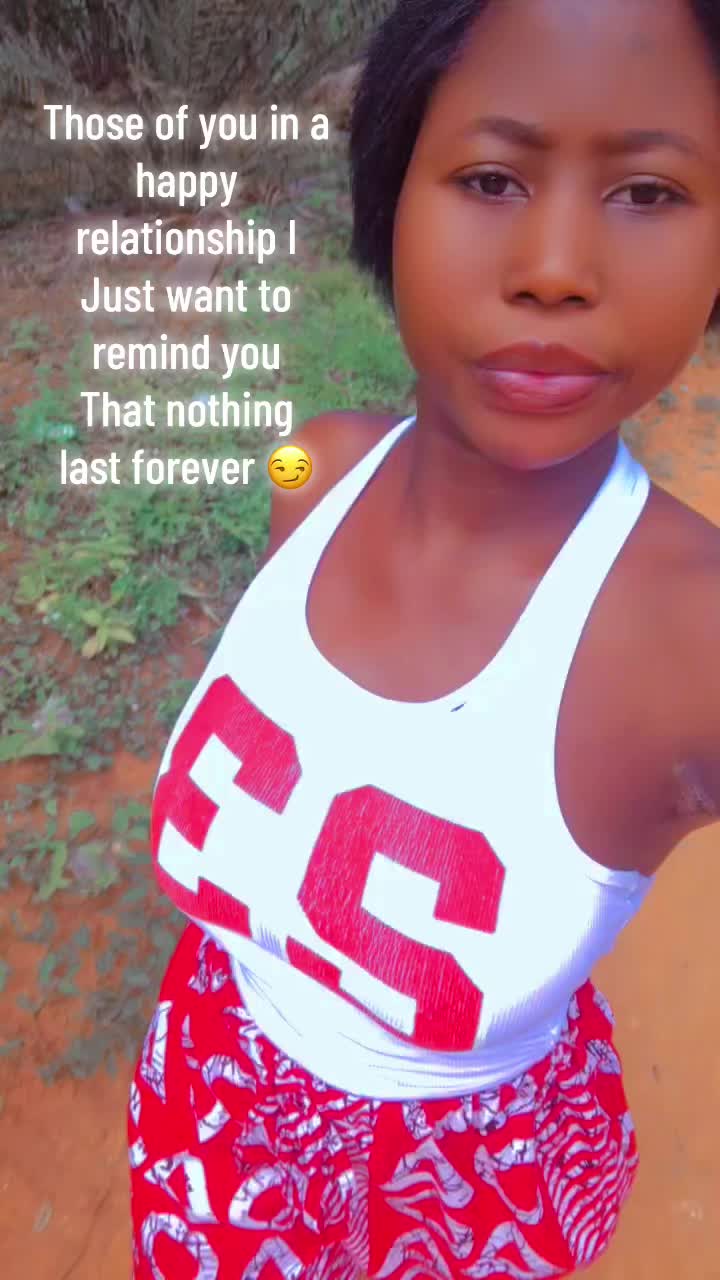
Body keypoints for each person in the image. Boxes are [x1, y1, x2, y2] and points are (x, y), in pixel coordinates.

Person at [127, 0, 720, 1276]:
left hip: (464, 1199)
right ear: (390, 190)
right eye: (492, 177)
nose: (556, 268)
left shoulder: (696, 642)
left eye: (650, 192)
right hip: (203, 1120)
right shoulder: (312, 470)